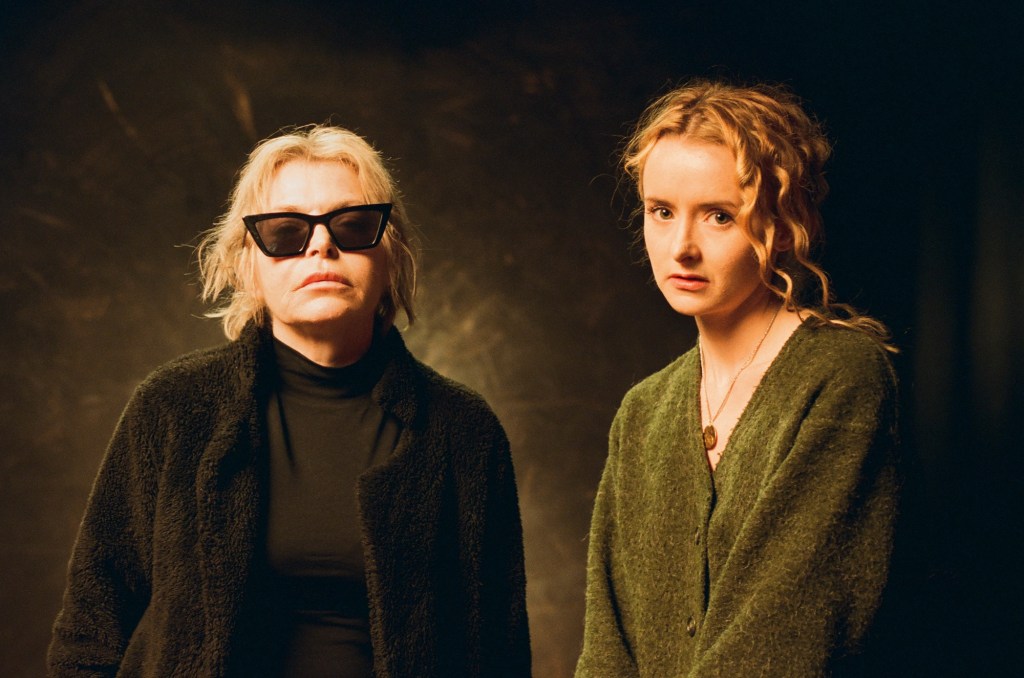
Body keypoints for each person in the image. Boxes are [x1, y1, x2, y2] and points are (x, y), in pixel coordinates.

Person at [48, 125, 531, 677]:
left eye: (353, 225)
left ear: (391, 253)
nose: (321, 246)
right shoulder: (173, 408)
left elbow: (500, 651)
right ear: (245, 263)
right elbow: (91, 628)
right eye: (285, 232)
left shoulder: (463, 429)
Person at [575, 81, 900, 676]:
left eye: (719, 216)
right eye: (661, 211)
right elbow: (606, 641)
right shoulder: (642, 411)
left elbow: (786, 630)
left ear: (782, 224)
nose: (681, 247)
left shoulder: (840, 375)